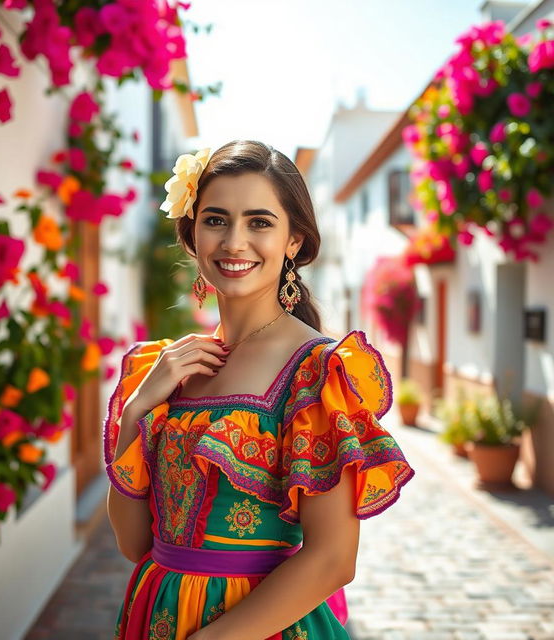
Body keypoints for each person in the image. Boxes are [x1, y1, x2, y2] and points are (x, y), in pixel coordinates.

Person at [104, 140, 416, 640]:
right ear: (192, 234)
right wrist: (139, 408)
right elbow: (133, 541)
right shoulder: (170, 367)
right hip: (154, 612)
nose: (233, 241)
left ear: (294, 240)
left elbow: (333, 559)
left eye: (260, 222)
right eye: (215, 219)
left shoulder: (318, 372)